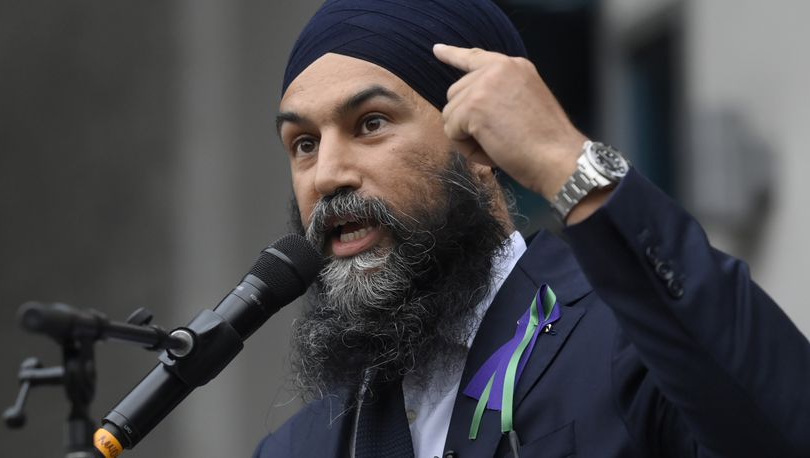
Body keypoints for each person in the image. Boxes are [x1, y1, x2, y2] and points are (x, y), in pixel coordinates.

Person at [254, 1, 810, 457]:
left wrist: (565, 160)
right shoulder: (300, 447)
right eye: (304, 144)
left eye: (370, 124)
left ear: (479, 141)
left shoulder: (629, 346)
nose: (326, 174)